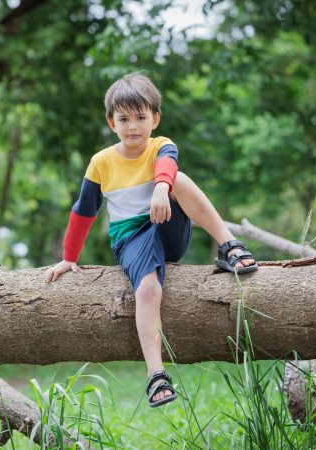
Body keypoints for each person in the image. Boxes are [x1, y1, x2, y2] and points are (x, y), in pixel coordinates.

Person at [44, 72, 258, 408]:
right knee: (147, 289)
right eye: (124, 119)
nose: (133, 126)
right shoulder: (101, 162)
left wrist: (161, 188)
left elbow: (167, 166)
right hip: (131, 239)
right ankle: (156, 374)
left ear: (155, 119)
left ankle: (228, 245)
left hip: (167, 227)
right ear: (111, 122)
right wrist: (69, 256)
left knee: (179, 179)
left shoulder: (162, 145)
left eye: (141, 117)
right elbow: (84, 210)